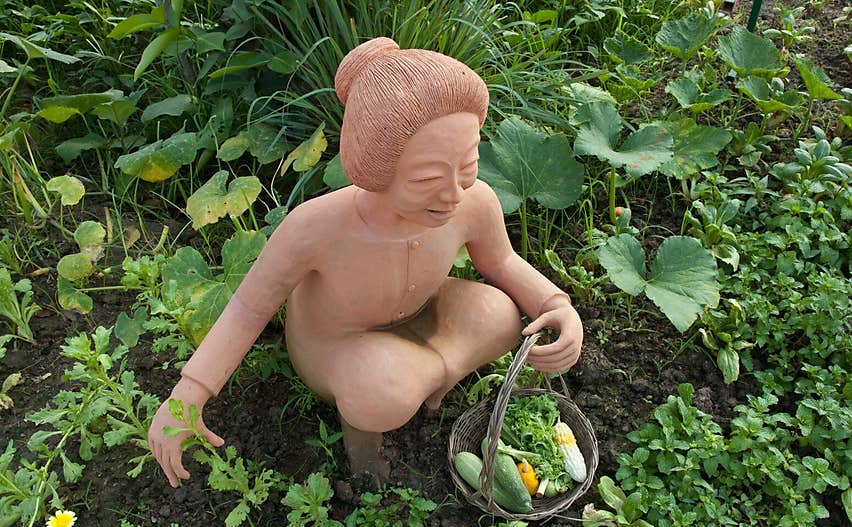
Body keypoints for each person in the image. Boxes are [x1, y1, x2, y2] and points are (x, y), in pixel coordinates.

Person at [147, 37, 584, 487]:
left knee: (499, 313)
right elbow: (247, 308)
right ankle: (365, 450)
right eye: (427, 178)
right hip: (339, 348)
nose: (454, 193)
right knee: (377, 388)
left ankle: (431, 377)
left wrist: (554, 303)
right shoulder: (316, 227)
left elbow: (503, 261)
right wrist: (189, 395)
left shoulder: (474, 202)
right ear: (377, 170)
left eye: (468, 166)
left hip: (423, 317)